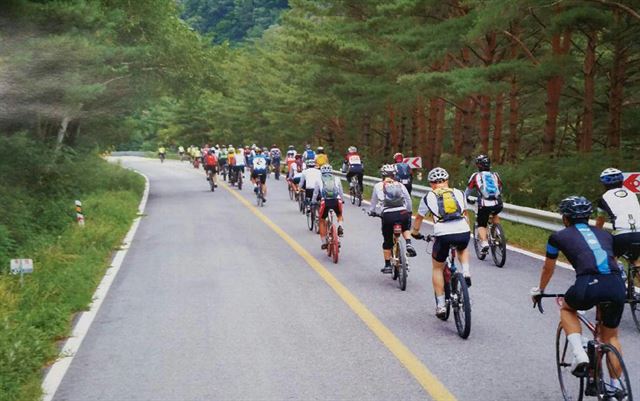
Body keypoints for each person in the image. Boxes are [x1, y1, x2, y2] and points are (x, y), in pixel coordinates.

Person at [530, 196, 626, 383]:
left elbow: (548, 268)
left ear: (565, 218)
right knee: (611, 338)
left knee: (567, 308)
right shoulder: (605, 235)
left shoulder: (557, 237)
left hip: (588, 282)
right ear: (588, 216)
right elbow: (613, 262)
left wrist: (540, 290)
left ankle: (578, 352)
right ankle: (615, 389)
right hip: (615, 284)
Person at [411, 167, 471, 319]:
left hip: (443, 234)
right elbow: (465, 214)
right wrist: (466, 230)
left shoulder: (428, 197)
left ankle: (441, 305)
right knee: (462, 249)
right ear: (447, 181)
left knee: (437, 268)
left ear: (431, 184)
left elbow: (418, 219)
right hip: (463, 230)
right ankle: (466, 272)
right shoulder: (458, 192)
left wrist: (415, 233)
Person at [369, 164, 417, 274]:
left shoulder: (378, 186)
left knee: (387, 240)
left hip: (388, 215)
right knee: (405, 228)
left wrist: (372, 211)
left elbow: (373, 202)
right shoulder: (400, 185)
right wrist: (408, 211)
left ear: (382, 175)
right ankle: (408, 243)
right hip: (402, 212)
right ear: (394, 174)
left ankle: (387, 265)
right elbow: (408, 200)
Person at [596, 168, 640, 268]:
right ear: (622, 181)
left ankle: (616, 276)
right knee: (635, 262)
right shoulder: (632, 194)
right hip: (639, 233)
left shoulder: (603, 198)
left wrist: (596, 234)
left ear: (604, 184)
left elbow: (600, 222)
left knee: (611, 259)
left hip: (622, 235)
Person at [465, 154, 504, 255]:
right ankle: (498, 235)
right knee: (495, 214)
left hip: (484, 204)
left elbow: (467, 192)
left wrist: (466, 199)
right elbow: (500, 189)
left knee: (481, 224)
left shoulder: (476, 176)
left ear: (478, 165)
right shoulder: (495, 175)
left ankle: (485, 242)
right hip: (498, 204)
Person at [313, 164, 345, 249]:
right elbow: (341, 191)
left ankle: (324, 242)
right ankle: (340, 226)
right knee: (339, 215)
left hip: (325, 201)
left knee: (322, 220)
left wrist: (313, 201)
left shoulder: (319, 179)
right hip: (336, 200)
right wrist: (342, 200)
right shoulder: (337, 178)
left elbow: (315, 193)